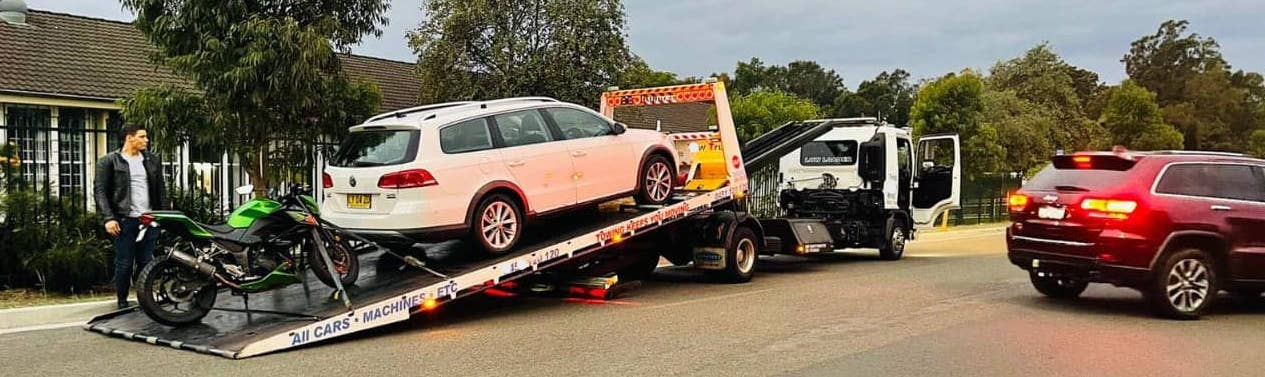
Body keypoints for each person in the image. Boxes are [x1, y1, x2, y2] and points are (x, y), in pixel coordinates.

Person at [94, 124, 165, 310]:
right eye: (142, 136)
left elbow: (161, 191)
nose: (146, 140)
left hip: (149, 219)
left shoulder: (151, 160)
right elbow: (100, 192)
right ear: (129, 138)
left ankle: (145, 300)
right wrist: (108, 218)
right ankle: (122, 301)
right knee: (124, 262)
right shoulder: (109, 161)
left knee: (146, 261)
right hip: (124, 219)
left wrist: (164, 216)